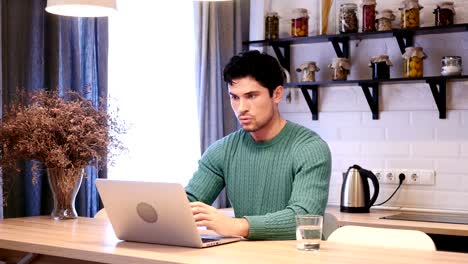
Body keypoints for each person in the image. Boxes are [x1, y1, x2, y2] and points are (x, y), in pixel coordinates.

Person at [185, 50, 331, 240]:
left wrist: (236, 225)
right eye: (234, 97)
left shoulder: (310, 148)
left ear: (277, 94)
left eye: (251, 96)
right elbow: (187, 204)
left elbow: (304, 218)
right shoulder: (222, 151)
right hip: (246, 256)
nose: (241, 108)